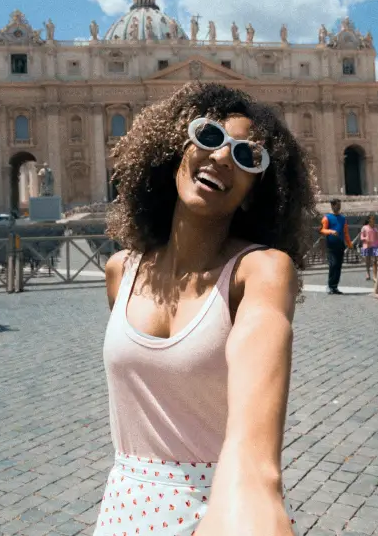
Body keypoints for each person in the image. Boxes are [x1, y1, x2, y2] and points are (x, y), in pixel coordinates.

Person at [96, 82, 316, 535]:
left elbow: (263, 341)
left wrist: (255, 484)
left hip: (221, 508)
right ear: (176, 151)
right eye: (211, 137)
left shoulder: (262, 271)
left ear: (255, 190)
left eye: (247, 157)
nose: (221, 157)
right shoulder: (121, 271)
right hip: (123, 509)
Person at [320, 198, 353, 294]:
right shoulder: (327, 218)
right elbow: (322, 230)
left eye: (340, 206)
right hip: (331, 245)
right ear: (332, 205)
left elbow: (346, 233)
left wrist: (350, 244)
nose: (339, 207)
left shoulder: (343, 218)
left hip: (340, 245)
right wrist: (330, 231)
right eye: (337, 205)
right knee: (333, 264)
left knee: (338, 266)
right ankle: (330, 286)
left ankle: (335, 286)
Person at [360, 214, 378, 281]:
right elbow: (361, 237)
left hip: (375, 246)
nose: (374, 220)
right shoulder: (364, 227)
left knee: (375, 261)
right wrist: (366, 239)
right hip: (366, 246)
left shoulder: (376, 229)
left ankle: (375, 276)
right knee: (367, 261)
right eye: (372, 218)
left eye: (374, 219)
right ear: (369, 220)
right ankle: (368, 274)